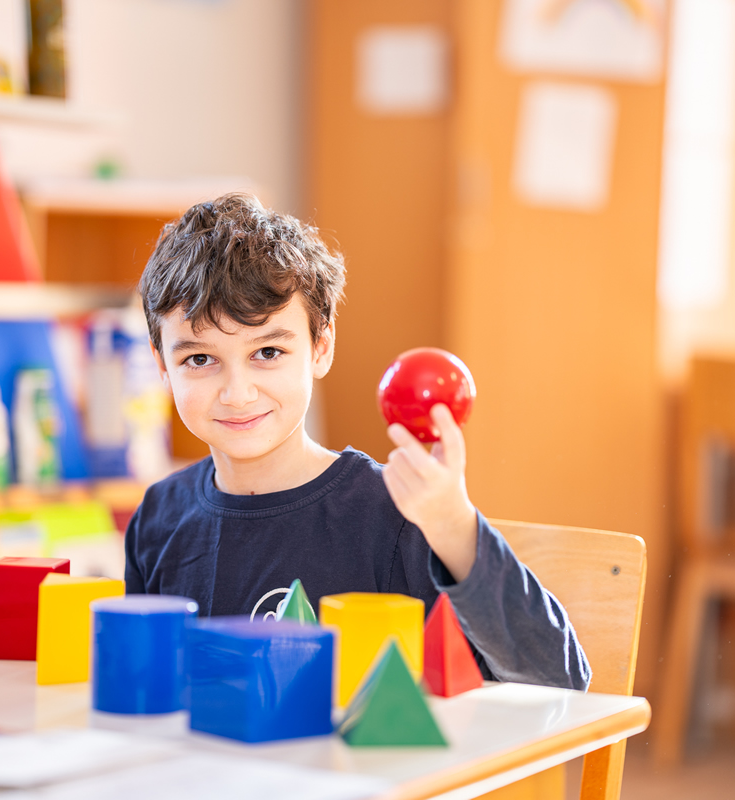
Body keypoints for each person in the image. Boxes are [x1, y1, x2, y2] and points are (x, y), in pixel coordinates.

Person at [124, 193, 590, 690]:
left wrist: (453, 524)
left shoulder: (393, 513)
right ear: (162, 367)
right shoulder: (158, 517)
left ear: (320, 348)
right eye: (200, 359)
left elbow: (558, 680)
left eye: (268, 351)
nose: (238, 393)